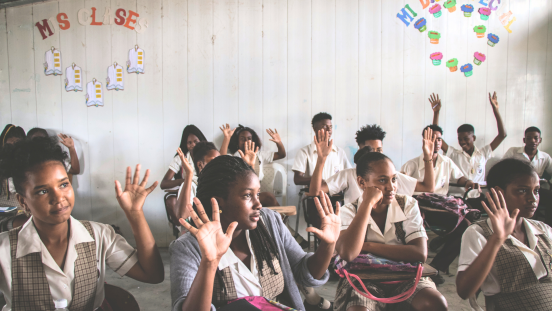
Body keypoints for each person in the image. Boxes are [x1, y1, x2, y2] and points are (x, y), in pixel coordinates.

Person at [0, 137, 164, 310]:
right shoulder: (5, 249)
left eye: (63, 184)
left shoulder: (99, 235)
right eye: (42, 191)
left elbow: (152, 274)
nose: (58, 198)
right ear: (23, 201)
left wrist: (135, 214)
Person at [169, 155, 340, 311]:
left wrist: (328, 245)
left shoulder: (269, 221)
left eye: (257, 194)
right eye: (247, 196)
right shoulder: (187, 248)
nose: (258, 204)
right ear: (219, 203)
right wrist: (209, 262)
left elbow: (306, 273)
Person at [334, 151, 447, 311]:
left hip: (406, 277)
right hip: (364, 280)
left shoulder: (407, 204)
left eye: (394, 179)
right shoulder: (349, 211)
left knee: (436, 303)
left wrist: (366, 246)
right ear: (361, 182)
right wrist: (367, 203)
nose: (391, 187)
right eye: (382, 180)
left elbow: (420, 253)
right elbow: (349, 253)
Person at [456, 158, 552, 310]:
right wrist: (497, 239)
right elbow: (464, 291)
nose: (533, 198)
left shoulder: (543, 230)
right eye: (522, 190)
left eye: (536, 190)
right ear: (498, 193)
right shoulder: (479, 233)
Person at [308, 127, 436, 204]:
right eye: (370, 150)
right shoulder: (349, 174)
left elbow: (428, 187)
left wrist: (428, 158)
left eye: (379, 150)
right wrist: (321, 159)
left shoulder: (391, 176)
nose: (375, 155)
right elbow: (315, 191)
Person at [429, 92, 507, 183]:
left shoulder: (483, 153)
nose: (462, 142)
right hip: (457, 195)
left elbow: (502, 135)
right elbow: (435, 136)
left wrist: (496, 110)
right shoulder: (454, 154)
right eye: (460, 139)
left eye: (466, 139)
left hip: (477, 195)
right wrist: (436, 113)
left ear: (473, 138)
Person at [401, 125, 480, 195]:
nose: (436, 142)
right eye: (432, 139)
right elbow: (401, 184)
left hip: (441, 203)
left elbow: (459, 178)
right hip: (420, 204)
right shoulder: (411, 164)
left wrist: (468, 181)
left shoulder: (447, 162)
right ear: (424, 140)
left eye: (439, 139)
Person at [161, 125, 207, 227]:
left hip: (203, 189)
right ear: (185, 144)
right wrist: (185, 181)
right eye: (189, 143)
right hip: (186, 188)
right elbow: (163, 184)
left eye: (196, 141)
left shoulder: (207, 156)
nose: (193, 145)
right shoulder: (180, 158)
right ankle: (184, 227)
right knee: (173, 200)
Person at [292, 112, 352, 186]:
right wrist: (318, 180)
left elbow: (349, 176)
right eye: (324, 126)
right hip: (313, 195)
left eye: (330, 127)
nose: (329, 129)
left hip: (336, 196)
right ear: (315, 129)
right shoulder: (304, 152)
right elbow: (297, 179)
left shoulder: (339, 152)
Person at [220, 124, 286, 182]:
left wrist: (279, 142)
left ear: (253, 141)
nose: (246, 141)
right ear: (237, 142)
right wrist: (227, 137)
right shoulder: (233, 156)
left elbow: (281, 155)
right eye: (242, 139)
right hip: (238, 188)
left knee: (269, 196)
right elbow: (220, 160)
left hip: (256, 188)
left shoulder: (260, 155)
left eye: (249, 138)